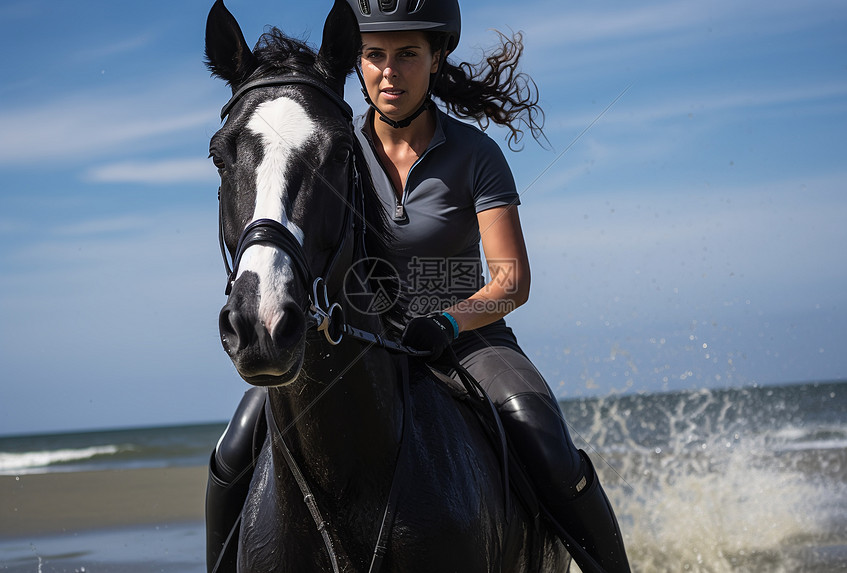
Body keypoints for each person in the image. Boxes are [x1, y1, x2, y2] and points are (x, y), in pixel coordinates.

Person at [206, 1, 632, 571]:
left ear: (436, 58)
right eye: (374, 55)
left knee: (546, 442)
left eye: (407, 54)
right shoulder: (334, 147)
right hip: (351, 340)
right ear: (357, 63)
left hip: (468, 340)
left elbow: (511, 279)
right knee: (233, 451)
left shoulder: (475, 155)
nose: (389, 71)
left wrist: (449, 321)